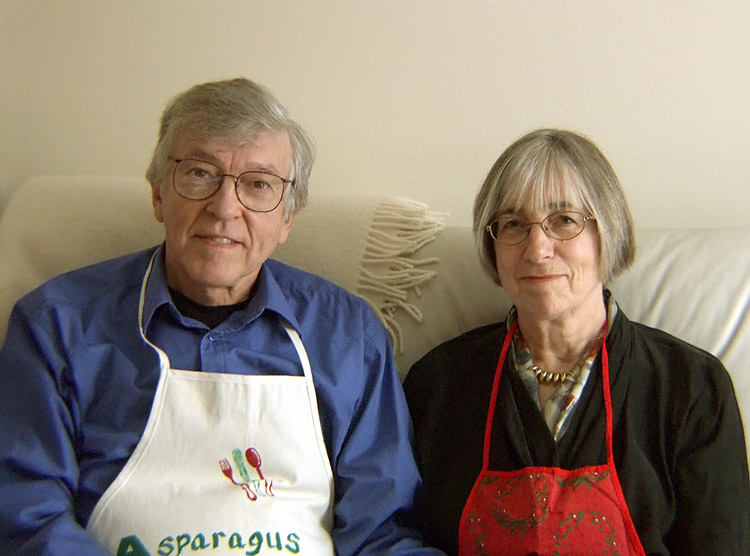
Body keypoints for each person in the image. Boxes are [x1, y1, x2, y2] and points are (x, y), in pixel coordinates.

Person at [0, 77, 444, 556]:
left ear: (288, 219)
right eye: (199, 174)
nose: (225, 207)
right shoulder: (57, 324)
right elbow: (26, 515)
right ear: (157, 195)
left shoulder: (348, 334)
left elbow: (381, 532)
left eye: (257, 185)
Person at [403, 128, 750, 555]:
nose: (537, 248)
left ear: (609, 232)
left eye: (564, 220)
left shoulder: (692, 387)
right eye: (512, 224)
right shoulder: (437, 385)